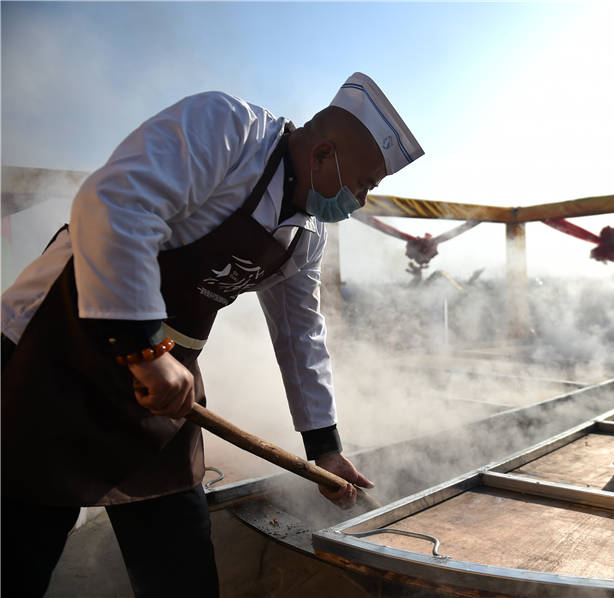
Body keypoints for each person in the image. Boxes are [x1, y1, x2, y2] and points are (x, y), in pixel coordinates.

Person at [1, 72, 423, 597]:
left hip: (165, 385)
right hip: (59, 353)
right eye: (364, 184)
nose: (359, 201)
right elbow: (113, 204)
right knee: (23, 544)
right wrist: (142, 347)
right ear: (322, 154)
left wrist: (325, 447)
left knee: (181, 562)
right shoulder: (229, 129)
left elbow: (301, 336)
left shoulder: (307, 236)